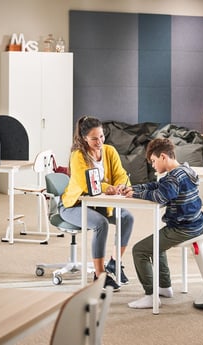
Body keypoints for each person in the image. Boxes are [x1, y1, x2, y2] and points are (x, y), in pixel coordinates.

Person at [121, 138, 203, 308]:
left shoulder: (173, 178)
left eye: (153, 161)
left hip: (183, 228)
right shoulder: (185, 170)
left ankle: (151, 296)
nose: (152, 166)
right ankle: (165, 287)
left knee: (139, 250)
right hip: (196, 223)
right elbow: (158, 185)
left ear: (163, 157)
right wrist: (136, 188)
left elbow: (160, 196)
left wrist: (135, 195)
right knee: (156, 244)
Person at [59, 115, 134, 291]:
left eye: (101, 136)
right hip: (74, 205)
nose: (99, 141)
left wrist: (122, 186)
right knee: (101, 224)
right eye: (94, 138)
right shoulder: (77, 155)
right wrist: (108, 187)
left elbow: (120, 174)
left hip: (101, 203)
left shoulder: (109, 151)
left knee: (127, 218)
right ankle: (100, 275)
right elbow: (85, 183)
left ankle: (115, 263)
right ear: (84, 138)